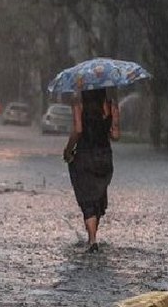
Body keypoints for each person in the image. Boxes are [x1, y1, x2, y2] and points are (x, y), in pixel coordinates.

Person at [63, 88, 120, 253]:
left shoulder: (79, 104)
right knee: (98, 197)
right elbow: (116, 135)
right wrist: (106, 127)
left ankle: (92, 240)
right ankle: (93, 236)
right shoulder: (110, 106)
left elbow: (78, 130)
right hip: (104, 157)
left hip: (84, 156)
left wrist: (68, 151)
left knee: (87, 198)